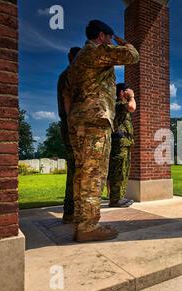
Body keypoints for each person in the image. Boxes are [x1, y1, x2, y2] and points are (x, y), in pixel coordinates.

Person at [67, 20, 140, 243]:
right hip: (95, 121)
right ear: (102, 36)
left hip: (79, 120)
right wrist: (123, 41)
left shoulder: (78, 60)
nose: (110, 41)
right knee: (94, 173)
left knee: (82, 173)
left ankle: (82, 221)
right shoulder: (96, 51)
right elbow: (132, 55)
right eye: (109, 37)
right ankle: (89, 227)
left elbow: (68, 94)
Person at [57, 47, 81, 224]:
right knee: (76, 169)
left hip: (69, 125)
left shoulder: (66, 75)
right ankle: (71, 210)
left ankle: (71, 210)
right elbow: (69, 103)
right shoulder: (71, 75)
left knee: (76, 168)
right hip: (72, 127)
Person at [108, 83, 136, 207]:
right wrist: (131, 97)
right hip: (119, 143)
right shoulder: (118, 104)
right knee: (118, 171)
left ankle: (119, 197)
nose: (129, 92)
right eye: (126, 90)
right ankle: (115, 200)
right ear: (121, 92)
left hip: (125, 143)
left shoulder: (121, 105)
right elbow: (132, 107)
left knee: (123, 170)